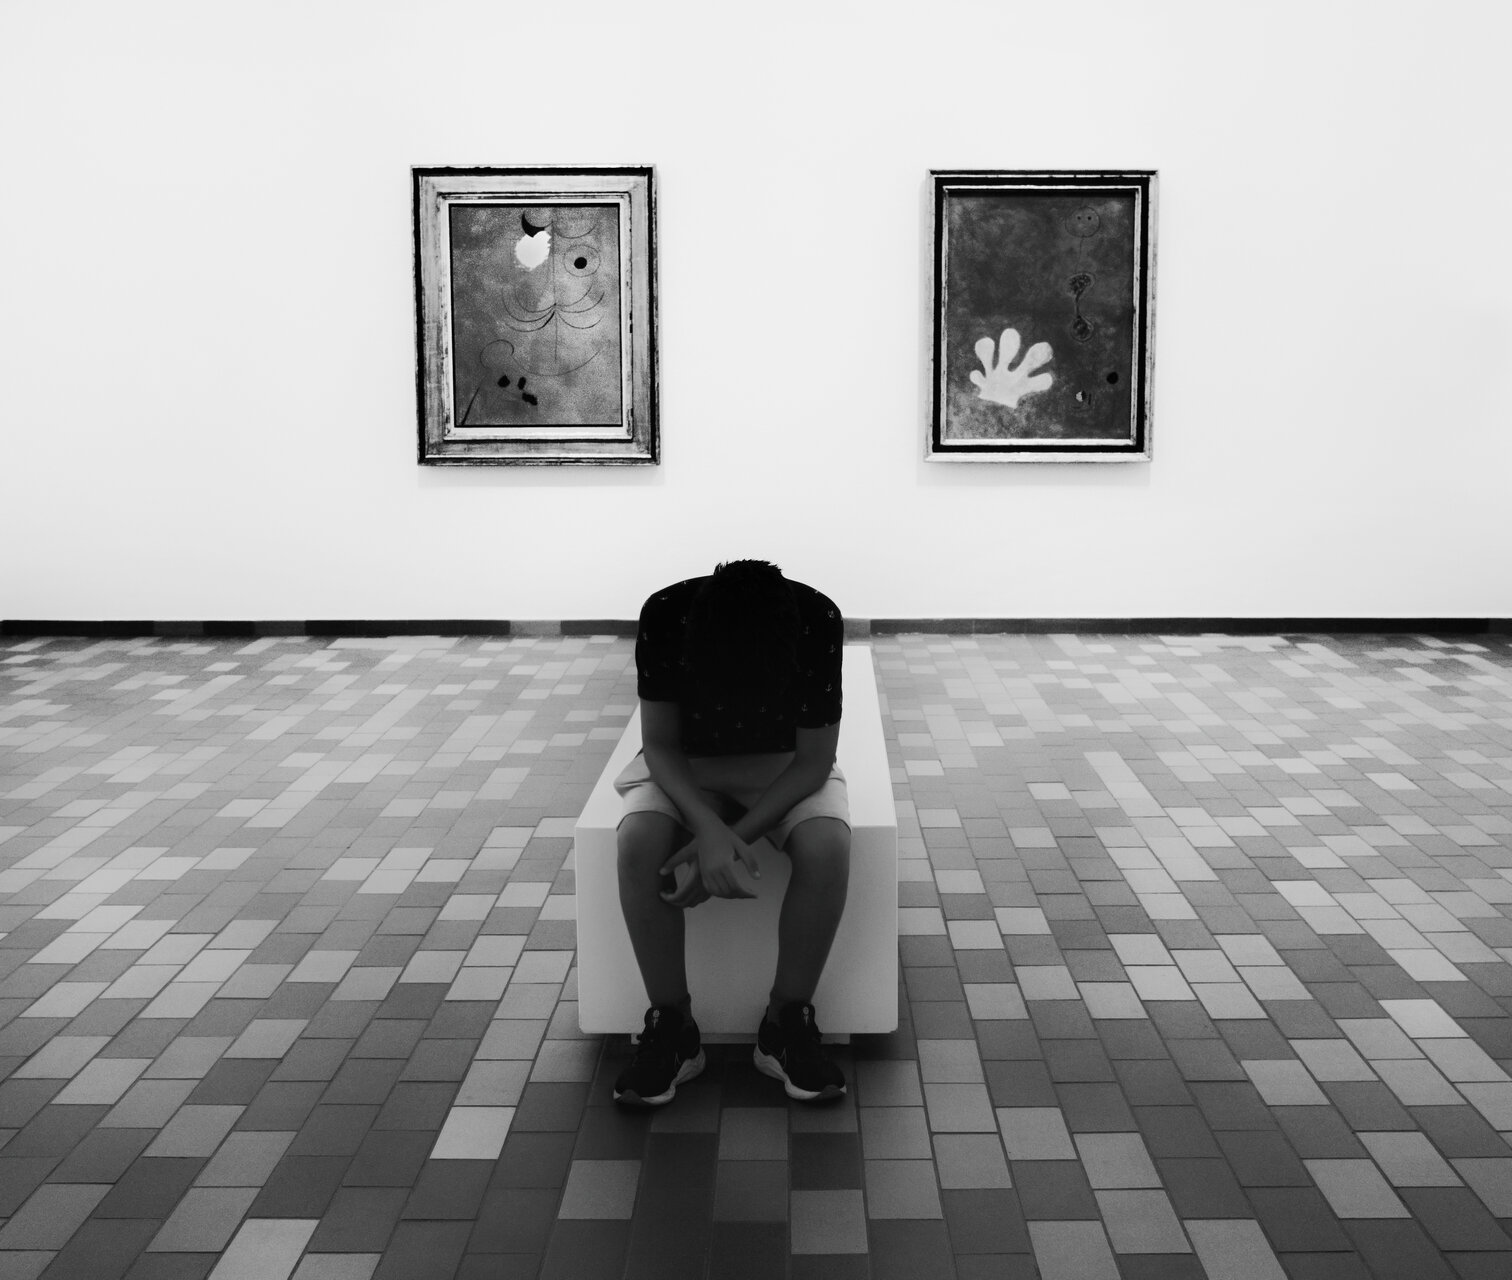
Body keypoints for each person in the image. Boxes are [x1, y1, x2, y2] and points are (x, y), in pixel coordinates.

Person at [612, 560, 851, 1106]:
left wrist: (727, 839)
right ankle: (673, 1027)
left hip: (783, 763)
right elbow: (660, 744)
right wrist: (706, 827)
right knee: (638, 842)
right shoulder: (666, 616)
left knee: (828, 846)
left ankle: (784, 1023)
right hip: (687, 762)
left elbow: (814, 760)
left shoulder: (817, 620)